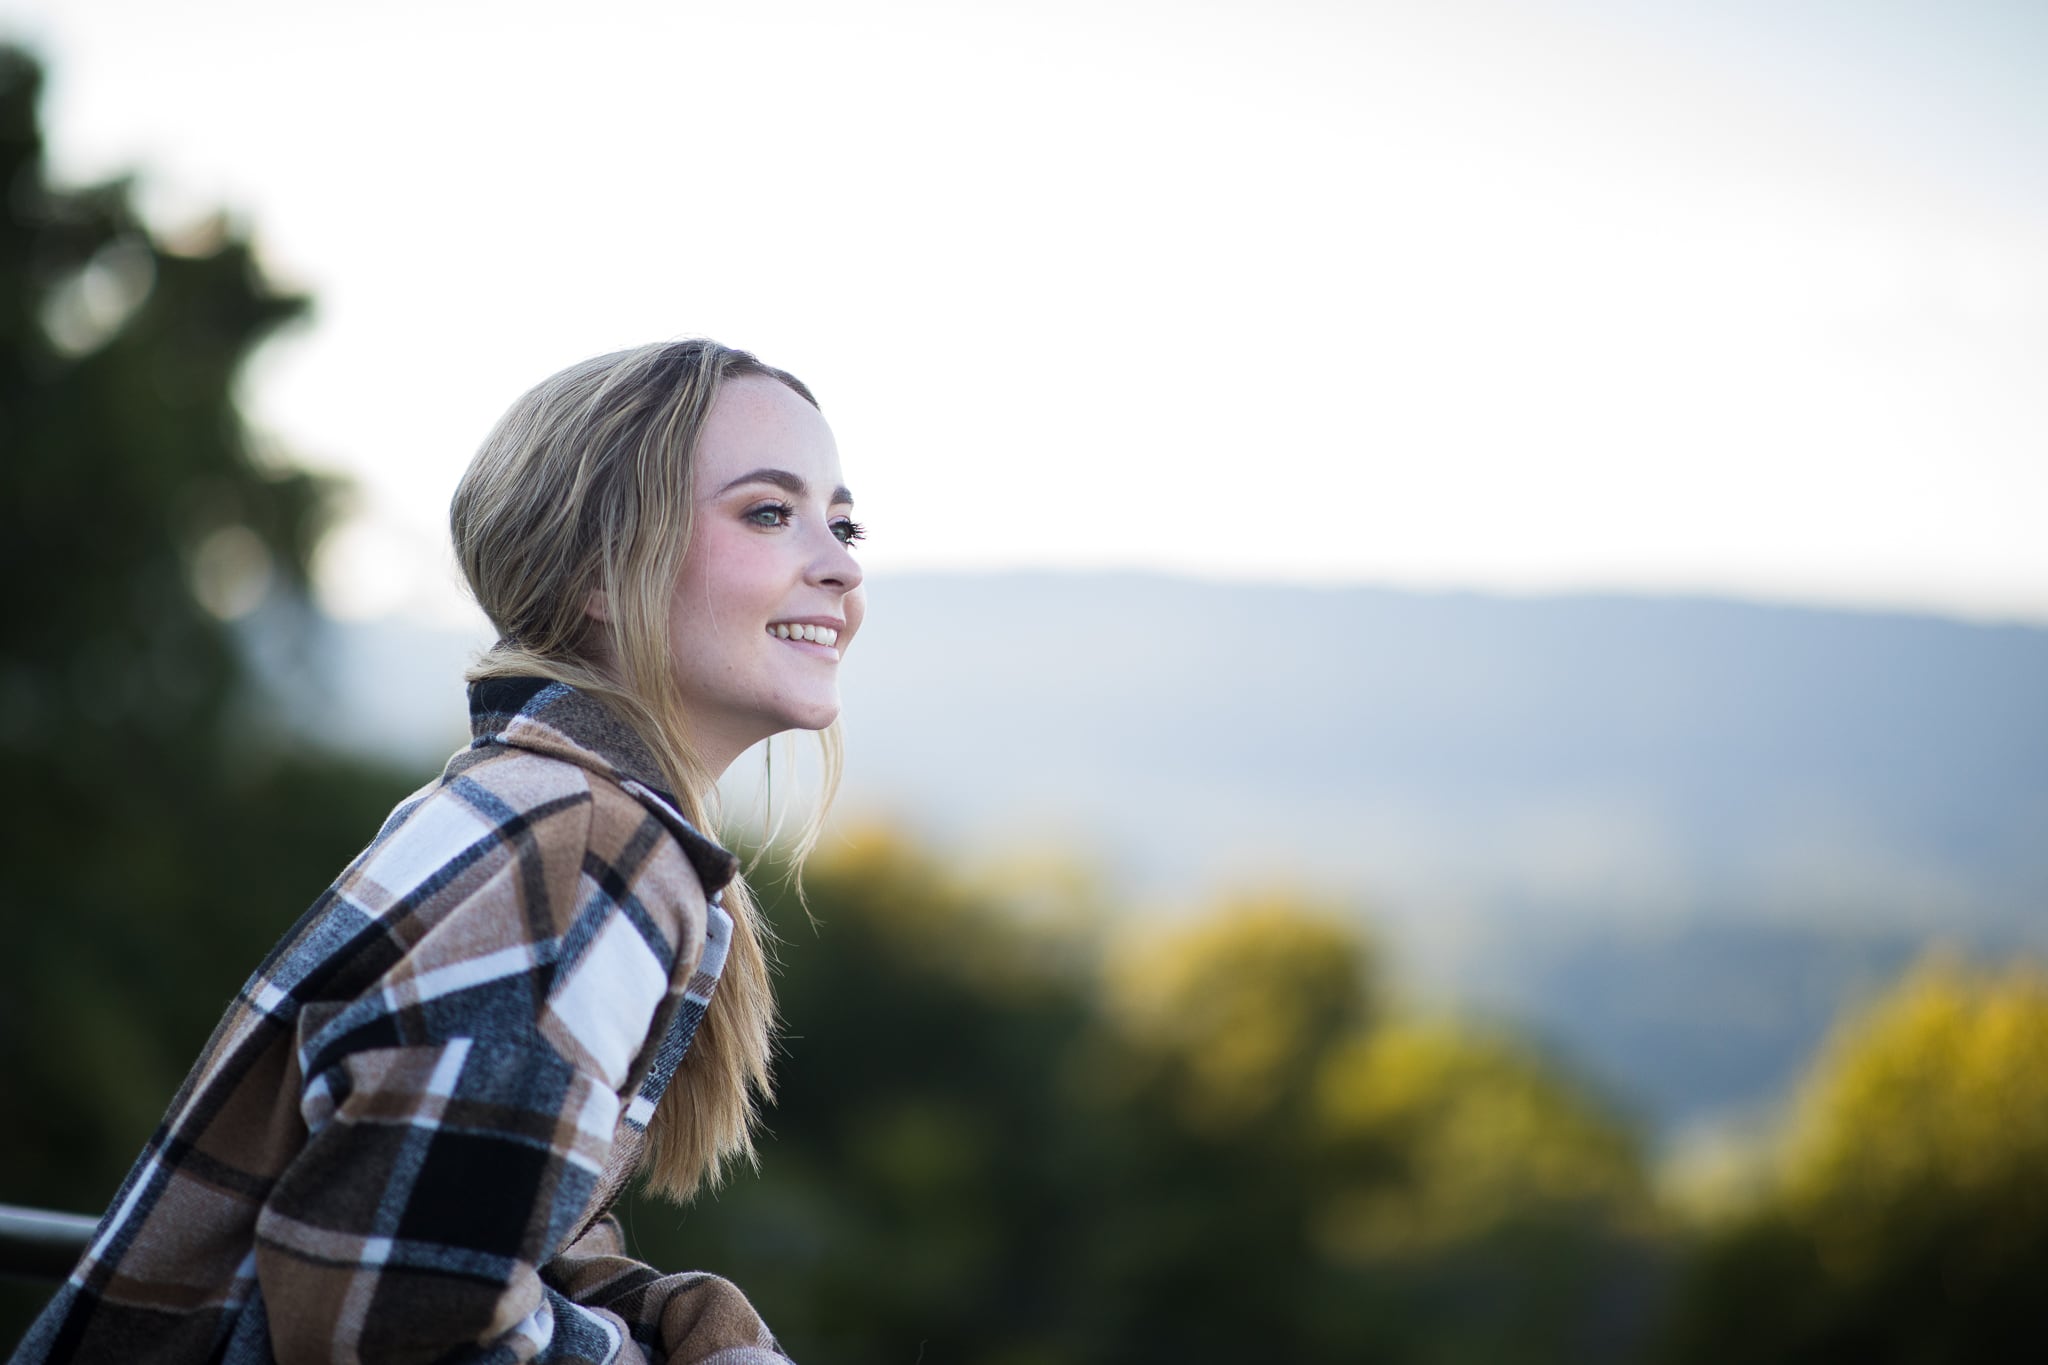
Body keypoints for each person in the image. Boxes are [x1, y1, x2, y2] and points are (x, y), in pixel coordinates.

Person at [11, 339, 864, 1365]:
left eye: (843, 520)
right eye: (769, 513)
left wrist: (667, 1320)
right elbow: (396, 1326)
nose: (842, 564)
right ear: (598, 571)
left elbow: (501, 1228)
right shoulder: (588, 853)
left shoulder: (523, 800)